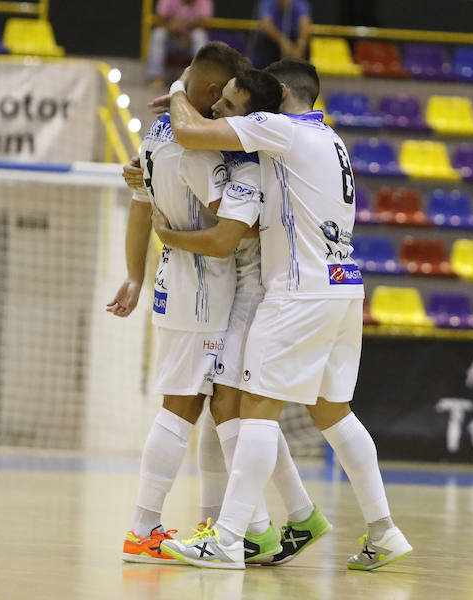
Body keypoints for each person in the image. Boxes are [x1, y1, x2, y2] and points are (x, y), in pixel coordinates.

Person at [158, 58, 413, 570]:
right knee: (333, 413)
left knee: (255, 407)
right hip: (344, 288)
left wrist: (178, 89)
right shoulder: (330, 139)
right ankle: (383, 530)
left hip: (299, 294)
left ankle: (228, 539)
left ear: (275, 92)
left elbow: (190, 132)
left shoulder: (283, 129)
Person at [119, 65, 329, 566]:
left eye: (229, 108)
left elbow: (223, 237)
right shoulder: (210, 148)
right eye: (218, 103)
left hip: (243, 292)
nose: (218, 114)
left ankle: (238, 526)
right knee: (210, 409)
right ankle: (247, 525)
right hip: (207, 289)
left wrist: (159, 244)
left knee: (222, 411)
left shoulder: (227, 150)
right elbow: (149, 195)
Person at [146, 0, 214, 87]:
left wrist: (185, 26)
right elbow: (160, 20)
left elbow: (205, 23)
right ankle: (156, 78)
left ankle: (200, 79)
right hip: (172, 40)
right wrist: (173, 29)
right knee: (158, 34)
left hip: (190, 44)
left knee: (199, 35)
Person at [253, 0, 311, 69]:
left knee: (306, 45)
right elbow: (266, 26)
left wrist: (300, 47)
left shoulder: (300, 3)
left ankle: (303, 72)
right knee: (264, 41)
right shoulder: (268, 3)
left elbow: (305, 26)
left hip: (294, 39)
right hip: (274, 39)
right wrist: (284, 43)